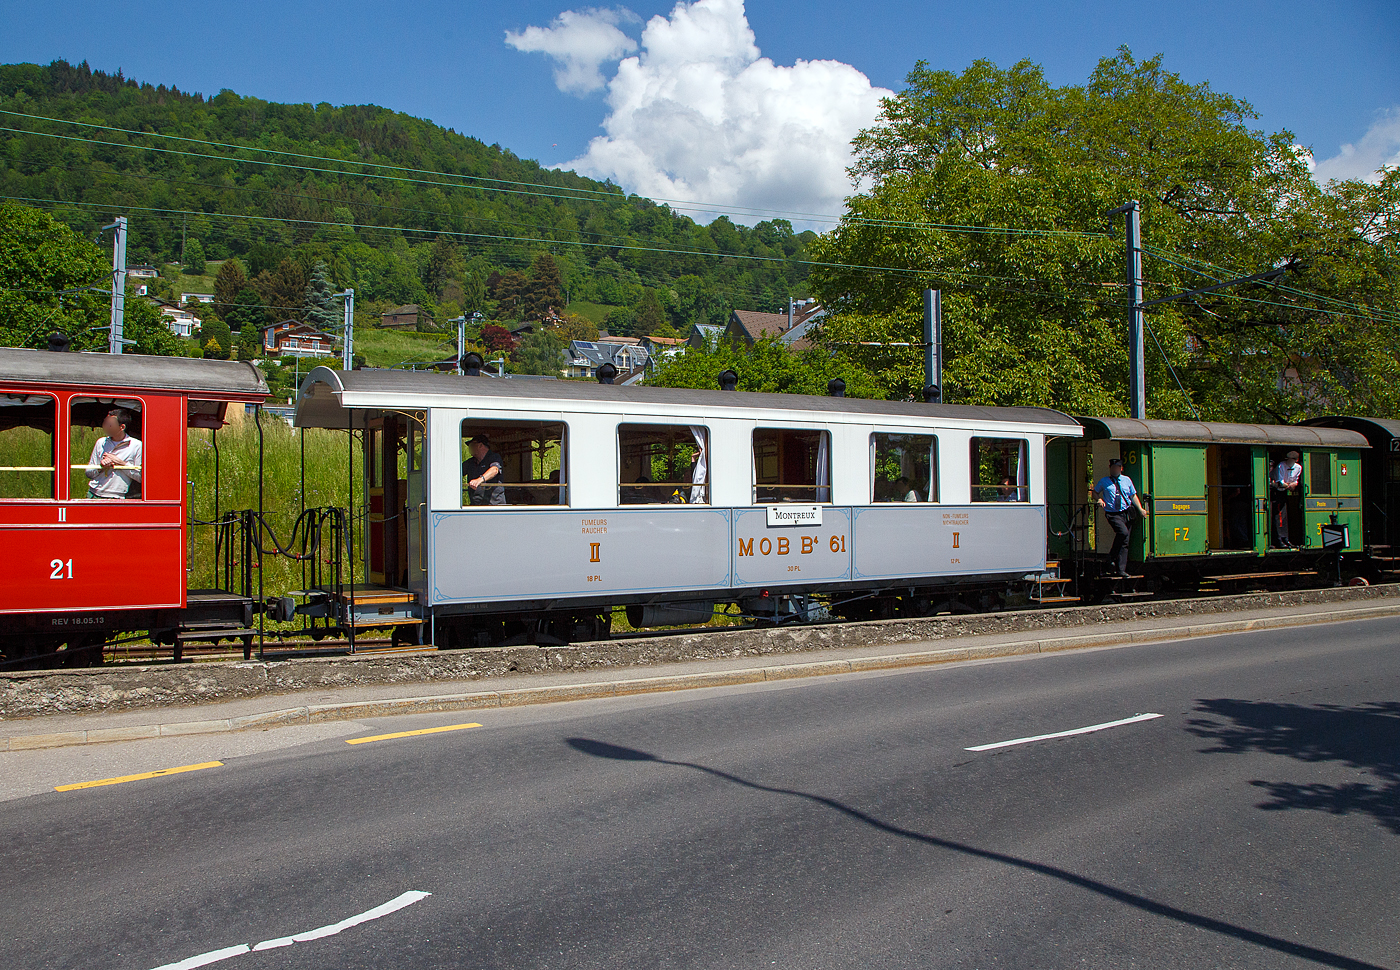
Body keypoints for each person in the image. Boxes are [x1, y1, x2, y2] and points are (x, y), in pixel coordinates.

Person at [1093, 457, 1147, 578]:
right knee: (1123, 532)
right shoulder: (1104, 481)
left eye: (1116, 468)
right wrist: (1099, 499)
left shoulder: (1127, 480)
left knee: (1125, 541)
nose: (1114, 470)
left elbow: (1133, 496)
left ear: (1121, 469)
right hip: (1113, 514)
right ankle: (1111, 558)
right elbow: (1094, 492)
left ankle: (1121, 569)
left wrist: (1140, 509)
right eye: (1112, 468)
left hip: (1126, 513)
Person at [85, 407, 142, 499]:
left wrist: (120, 463)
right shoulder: (101, 442)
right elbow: (88, 473)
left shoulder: (137, 445)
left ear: (122, 427)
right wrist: (101, 467)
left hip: (116, 498)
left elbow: (140, 477)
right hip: (93, 495)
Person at [462, 434, 505, 505]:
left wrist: (480, 480)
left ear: (480, 445)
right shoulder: (470, 462)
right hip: (476, 505)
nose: (470, 448)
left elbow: (494, 470)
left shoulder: (494, 457)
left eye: (472, 445)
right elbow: (457, 472)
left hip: (494, 506)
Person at [1273, 450, 1303, 546]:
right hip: (1276, 492)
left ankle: (1285, 538)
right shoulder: (1281, 466)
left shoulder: (1298, 468)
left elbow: (1295, 481)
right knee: (1279, 516)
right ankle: (1279, 538)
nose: (1288, 462)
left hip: (1286, 491)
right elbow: (1280, 482)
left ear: (1296, 460)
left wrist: (1291, 485)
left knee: (1285, 515)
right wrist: (1289, 485)